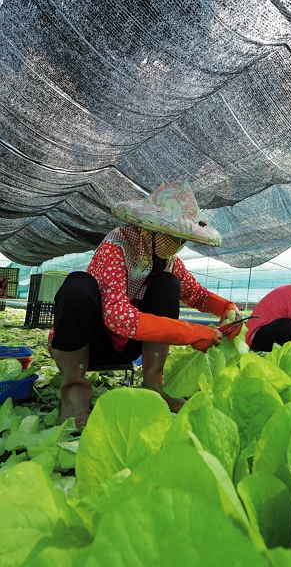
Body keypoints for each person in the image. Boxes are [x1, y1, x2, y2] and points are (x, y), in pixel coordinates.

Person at [48, 180, 242, 426]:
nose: (179, 245)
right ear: (151, 228)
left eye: (182, 239)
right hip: (90, 343)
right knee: (78, 285)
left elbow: (197, 294)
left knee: (168, 284)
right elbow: (118, 317)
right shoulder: (117, 244)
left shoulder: (166, 260)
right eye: (174, 236)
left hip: (131, 345)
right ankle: (74, 392)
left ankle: (154, 384)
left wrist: (226, 307)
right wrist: (192, 333)